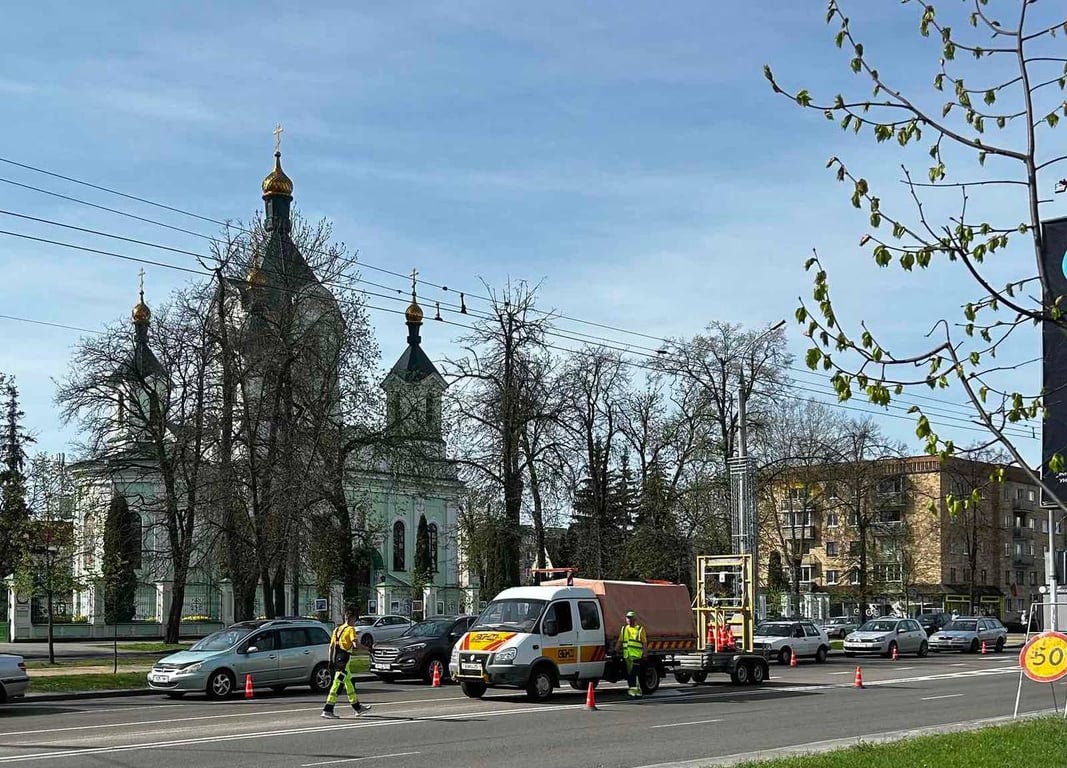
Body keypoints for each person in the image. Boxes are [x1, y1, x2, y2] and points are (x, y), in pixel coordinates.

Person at [321, 608, 371, 719]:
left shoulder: (337, 629)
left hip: (337, 658)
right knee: (337, 684)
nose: (355, 622)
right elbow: (355, 645)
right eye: (355, 619)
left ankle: (357, 707)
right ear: (352, 618)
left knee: (349, 683)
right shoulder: (351, 629)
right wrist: (367, 648)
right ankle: (327, 709)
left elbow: (331, 647)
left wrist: (330, 661)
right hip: (345, 659)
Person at [615, 609, 647, 698]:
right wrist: (615, 650)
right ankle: (634, 691)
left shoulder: (640, 629)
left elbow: (644, 643)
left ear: (634, 619)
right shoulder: (624, 629)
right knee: (629, 675)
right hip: (627, 656)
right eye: (627, 618)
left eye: (630, 618)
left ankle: (636, 692)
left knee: (634, 674)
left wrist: (645, 654)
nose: (628, 620)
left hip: (636, 656)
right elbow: (620, 641)